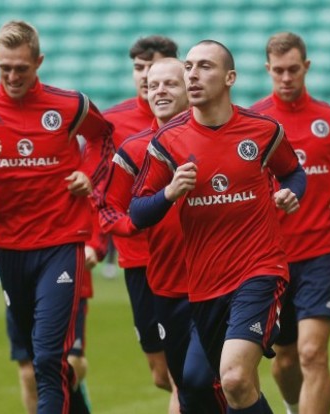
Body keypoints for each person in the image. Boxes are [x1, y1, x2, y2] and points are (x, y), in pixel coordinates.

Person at [0, 20, 112, 413]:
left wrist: (89, 175)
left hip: (62, 244)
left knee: (48, 357)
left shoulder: (70, 105)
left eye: (22, 68)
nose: (13, 76)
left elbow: (104, 137)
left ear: (39, 62)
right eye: (5, 68)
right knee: (36, 360)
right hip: (10, 250)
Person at [129, 40, 306, 413]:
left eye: (204, 67)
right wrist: (170, 192)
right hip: (205, 285)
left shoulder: (262, 131)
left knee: (236, 377)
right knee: (216, 388)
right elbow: (138, 212)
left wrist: (291, 194)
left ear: (230, 78)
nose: (192, 75)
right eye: (189, 67)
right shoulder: (168, 142)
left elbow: (292, 173)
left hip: (260, 271)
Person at [100, 57, 224, 413]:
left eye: (169, 84)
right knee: (183, 383)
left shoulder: (221, 136)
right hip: (166, 283)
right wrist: (131, 227)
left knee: (226, 378)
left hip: (221, 282)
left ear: (190, 87)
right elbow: (110, 209)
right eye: (153, 86)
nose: (160, 92)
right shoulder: (135, 149)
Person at [250, 32, 330, 414]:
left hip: (322, 252)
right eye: (278, 70)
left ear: (307, 67)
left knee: (312, 352)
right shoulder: (254, 122)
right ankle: (294, 407)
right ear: (268, 69)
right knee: (284, 359)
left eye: (293, 69)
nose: (286, 77)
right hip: (272, 256)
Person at [0, 183, 104, 413]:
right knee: (30, 373)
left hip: (64, 273)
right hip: (19, 277)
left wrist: (94, 246)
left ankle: (72, 390)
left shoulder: (68, 159)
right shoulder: (2, 159)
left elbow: (95, 201)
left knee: (69, 363)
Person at [101, 35, 179, 404]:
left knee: (190, 372)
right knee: (161, 374)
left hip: (186, 256)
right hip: (138, 259)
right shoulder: (112, 123)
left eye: (155, 69)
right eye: (139, 69)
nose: (147, 78)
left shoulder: (197, 118)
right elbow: (103, 194)